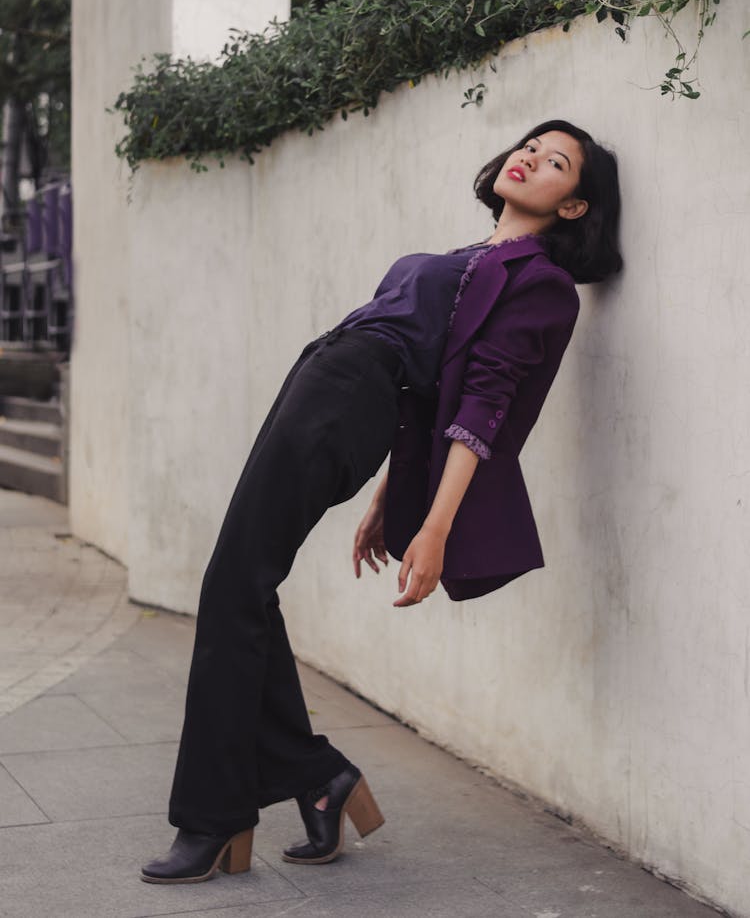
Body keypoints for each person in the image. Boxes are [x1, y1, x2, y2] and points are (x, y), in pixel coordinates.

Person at [141, 119, 622, 884]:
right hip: (326, 379)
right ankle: (317, 780)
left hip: (350, 395)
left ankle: (217, 816)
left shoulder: (540, 284)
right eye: (531, 143)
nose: (531, 155)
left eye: (557, 161)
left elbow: (480, 410)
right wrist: (382, 494)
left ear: (574, 207)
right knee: (244, 585)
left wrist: (435, 526)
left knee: (232, 584)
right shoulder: (469, 257)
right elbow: (431, 401)